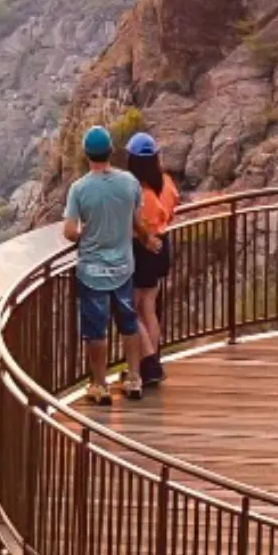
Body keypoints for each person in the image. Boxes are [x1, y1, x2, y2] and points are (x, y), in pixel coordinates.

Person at [62, 124, 143, 404]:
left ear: (87, 155)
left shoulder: (79, 189)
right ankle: (134, 378)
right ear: (111, 151)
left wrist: (87, 233)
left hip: (92, 271)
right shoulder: (129, 182)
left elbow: (70, 231)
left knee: (96, 330)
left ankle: (99, 384)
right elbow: (136, 221)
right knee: (129, 323)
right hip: (124, 267)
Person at [125, 129, 180, 387]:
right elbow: (171, 210)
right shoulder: (165, 183)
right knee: (149, 306)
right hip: (162, 246)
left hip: (142, 249)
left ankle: (148, 362)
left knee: (129, 309)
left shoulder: (137, 191)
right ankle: (151, 364)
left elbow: (133, 224)